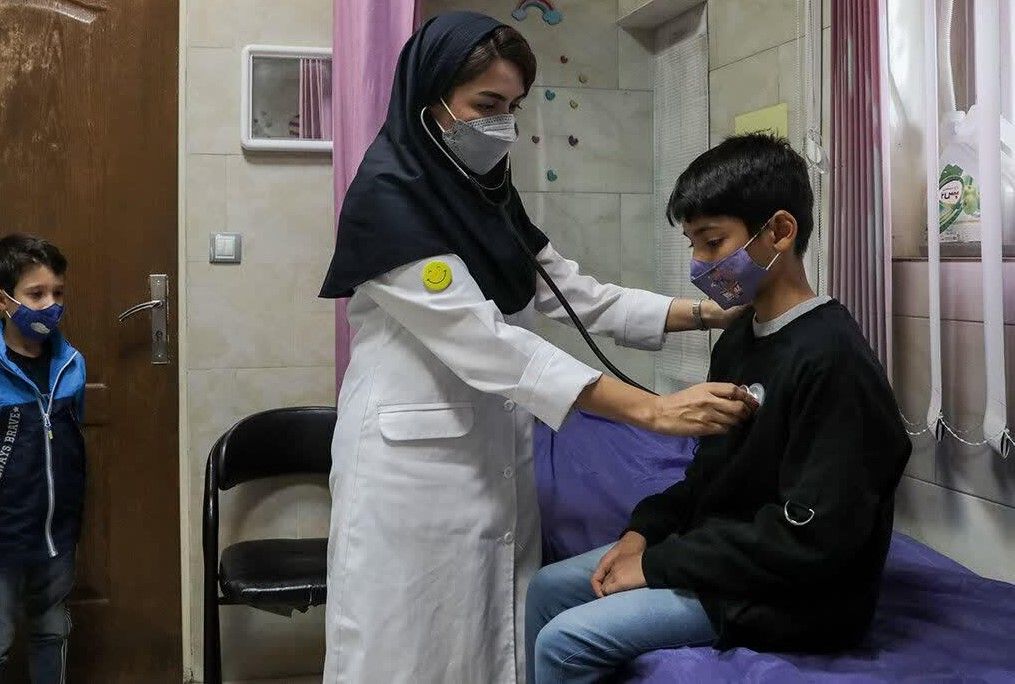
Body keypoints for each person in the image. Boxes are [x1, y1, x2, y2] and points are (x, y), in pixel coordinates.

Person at [318, 11, 757, 683]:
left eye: (513, 107)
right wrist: (650, 410)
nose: (503, 125)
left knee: (493, 640)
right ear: (429, 97)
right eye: (486, 105)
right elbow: (489, 344)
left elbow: (580, 295)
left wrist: (706, 313)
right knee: (407, 650)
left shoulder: (488, 198)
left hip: (487, 457)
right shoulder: (388, 199)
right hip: (409, 473)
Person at [525, 134, 913, 683]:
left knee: (564, 643)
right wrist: (644, 532)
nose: (699, 265)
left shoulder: (833, 360)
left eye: (712, 242)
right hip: (725, 558)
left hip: (795, 595)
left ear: (780, 231)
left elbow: (813, 541)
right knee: (546, 589)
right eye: (693, 244)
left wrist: (657, 565)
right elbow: (709, 479)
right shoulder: (738, 341)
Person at [0, 234, 86, 684]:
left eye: (58, 293)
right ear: (4, 301)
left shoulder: (71, 364)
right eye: (36, 294)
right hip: (4, 532)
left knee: (52, 628)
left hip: (57, 532)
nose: (50, 305)